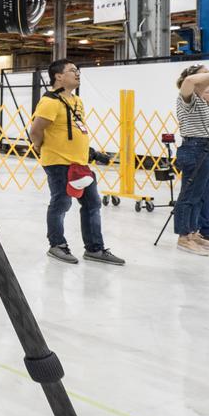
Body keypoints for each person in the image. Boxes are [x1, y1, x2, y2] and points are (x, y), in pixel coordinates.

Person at [28, 59, 125, 266]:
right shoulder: (49, 102)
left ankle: (94, 249)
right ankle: (57, 245)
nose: (78, 73)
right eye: (72, 70)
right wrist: (40, 147)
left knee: (92, 203)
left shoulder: (77, 101)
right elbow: (36, 131)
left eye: (78, 70)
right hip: (58, 163)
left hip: (79, 163)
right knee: (61, 202)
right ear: (58, 76)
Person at [172, 64, 209, 255]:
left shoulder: (203, 102)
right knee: (189, 195)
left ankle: (193, 232)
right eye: (204, 73)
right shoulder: (187, 96)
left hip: (206, 146)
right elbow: (188, 81)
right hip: (194, 148)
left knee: (199, 196)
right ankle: (183, 236)